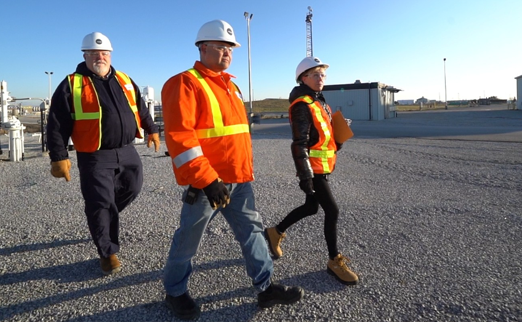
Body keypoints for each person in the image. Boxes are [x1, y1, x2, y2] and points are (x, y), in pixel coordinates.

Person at [161, 20, 304, 320]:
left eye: (230, 48)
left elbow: (235, 135)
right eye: (220, 46)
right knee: (189, 238)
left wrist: (243, 170)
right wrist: (208, 180)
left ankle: (265, 287)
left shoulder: (231, 85)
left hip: (239, 179)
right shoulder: (184, 83)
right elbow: (181, 139)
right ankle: (174, 292)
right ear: (202, 47)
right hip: (207, 184)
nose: (227, 52)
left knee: (252, 232)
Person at [46, 32, 160, 275]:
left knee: (133, 188)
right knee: (100, 202)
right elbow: (56, 123)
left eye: (105, 53)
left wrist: (152, 129)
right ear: (85, 55)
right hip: (94, 155)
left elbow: (139, 107)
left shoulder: (125, 79)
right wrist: (58, 156)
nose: (101, 57)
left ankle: (103, 220)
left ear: (110, 55)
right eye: (95, 53)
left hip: (127, 150)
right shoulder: (71, 83)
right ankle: (107, 252)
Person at [264, 56, 359, 286]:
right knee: (332, 211)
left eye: (323, 74)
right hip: (312, 171)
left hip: (322, 167)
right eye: (315, 74)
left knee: (311, 207)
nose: (320, 78)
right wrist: (305, 176)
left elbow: (327, 141)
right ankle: (334, 260)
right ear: (303, 78)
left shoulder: (322, 104)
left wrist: (341, 133)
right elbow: (299, 143)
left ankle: (275, 232)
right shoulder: (302, 106)